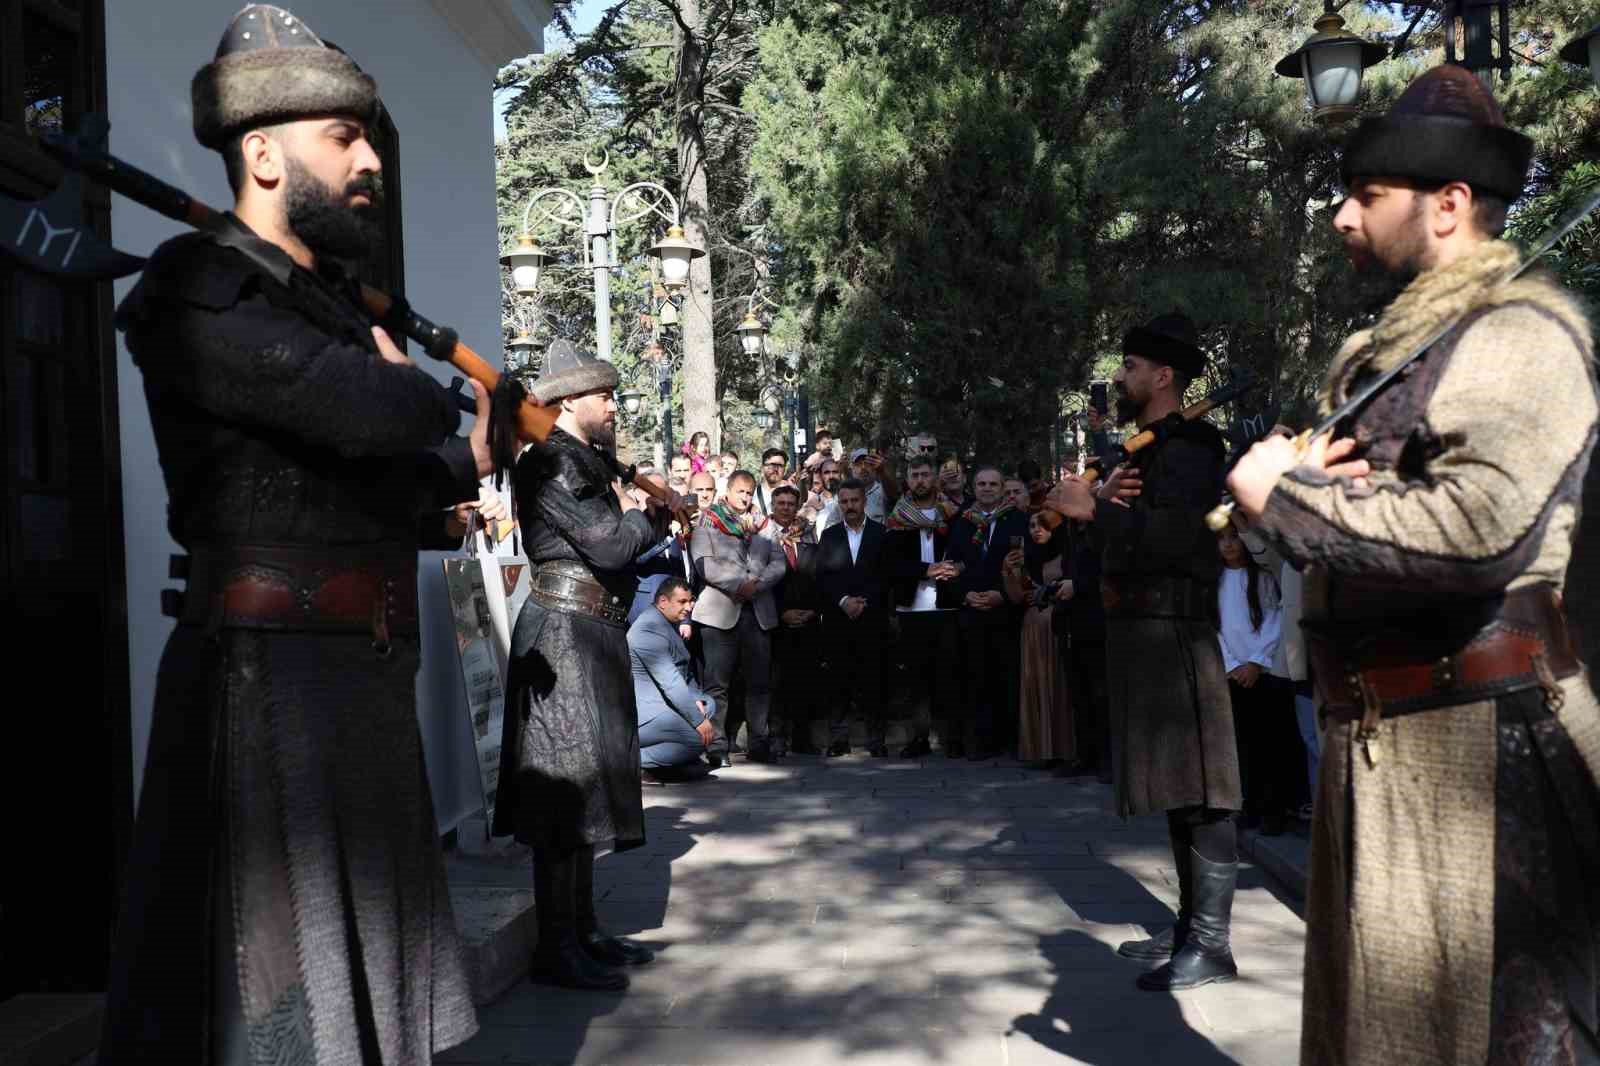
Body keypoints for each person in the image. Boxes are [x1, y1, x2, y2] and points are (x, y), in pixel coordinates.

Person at [101, 8, 490, 1060]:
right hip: (262, 690)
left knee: (358, 1009)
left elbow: (382, 481)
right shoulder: (197, 289)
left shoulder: (322, 301)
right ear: (263, 152)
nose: (369, 161)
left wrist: (471, 459)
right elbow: (366, 411)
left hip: (355, 682)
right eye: (344, 139)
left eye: (369, 141)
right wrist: (412, 400)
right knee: (268, 1005)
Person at [1226, 66, 1599, 1065]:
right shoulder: (1383, 350)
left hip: (1484, 751)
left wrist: (1291, 499)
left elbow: (1481, 526)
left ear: (1446, 205)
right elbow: (1354, 523)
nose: (1342, 218)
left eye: (1365, 197)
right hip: (1379, 743)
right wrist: (1275, 508)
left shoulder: (1524, 333)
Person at [1046, 311, 1241, 993]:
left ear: (1163, 376)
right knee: (1175, 788)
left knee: (1204, 791)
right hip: (1138, 630)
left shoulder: (1190, 450)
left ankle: (1212, 943)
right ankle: (1191, 926)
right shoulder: (1147, 449)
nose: (1120, 377)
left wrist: (1094, 511)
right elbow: (1124, 538)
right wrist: (1096, 507)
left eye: (1130, 368)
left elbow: (1176, 541)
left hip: (1175, 631)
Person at [492, 340, 662, 993]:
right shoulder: (554, 463)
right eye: (606, 395)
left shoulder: (581, 459)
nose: (614, 406)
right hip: (563, 638)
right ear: (568, 403)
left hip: (586, 632)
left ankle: (582, 930)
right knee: (560, 799)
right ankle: (556, 947)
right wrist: (648, 515)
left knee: (584, 793)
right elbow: (611, 544)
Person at [690, 471, 787, 763]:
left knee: (759, 683)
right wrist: (738, 584)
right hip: (719, 614)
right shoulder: (709, 521)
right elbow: (705, 565)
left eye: (749, 492)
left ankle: (759, 742)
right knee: (717, 684)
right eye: (740, 492)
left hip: (758, 612)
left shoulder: (765, 525)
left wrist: (756, 584)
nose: (745, 498)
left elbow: (779, 562)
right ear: (728, 491)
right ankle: (716, 746)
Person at [1215, 521, 1299, 836]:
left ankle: (1273, 809)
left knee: (1270, 744)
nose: (1228, 545)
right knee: (1242, 744)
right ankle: (1247, 805)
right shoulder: (1217, 581)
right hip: (1233, 675)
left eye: (1234, 537)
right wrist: (1232, 664)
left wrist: (1255, 662)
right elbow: (1216, 629)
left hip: (1261, 673)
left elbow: (1274, 619)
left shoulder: (1262, 578)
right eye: (1221, 539)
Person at [946, 467, 1030, 760]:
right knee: (974, 678)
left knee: (1007, 676)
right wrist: (965, 594)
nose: (987, 488)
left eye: (993, 484)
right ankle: (979, 741)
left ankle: (1009, 740)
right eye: (981, 484)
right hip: (971, 610)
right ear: (973, 487)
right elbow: (952, 566)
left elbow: (1028, 566)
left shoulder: (1019, 520)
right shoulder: (961, 522)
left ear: (1002, 488)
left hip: (1005, 611)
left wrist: (1002, 595)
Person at [884, 457, 963, 757]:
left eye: (925, 475)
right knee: (914, 680)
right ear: (907, 479)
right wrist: (925, 570)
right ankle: (917, 738)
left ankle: (951, 738)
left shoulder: (953, 514)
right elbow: (890, 564)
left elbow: (965, 550)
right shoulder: (898, 517)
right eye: (915, 475)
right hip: (911, 607)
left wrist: (955, 567)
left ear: (935, 479)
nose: (920, 480)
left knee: (949, 676)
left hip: (947, 606)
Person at [815, 480, 893, 756]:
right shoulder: (829, 536)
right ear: (839, 503)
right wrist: (844, 601)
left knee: (874, 681)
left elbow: (886, 576)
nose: (850, 506)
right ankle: (838, 739)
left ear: (864, 502)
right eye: (845, 501)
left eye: (854, 501)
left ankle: (876, 740)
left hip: (872, 620)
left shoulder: (882, 534)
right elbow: (822, 577)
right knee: (838, 682)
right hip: (839, 620)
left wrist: (864, 602)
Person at [630, 578, 717, 782]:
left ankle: (671, 763)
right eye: (682, 602)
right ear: (663, 601)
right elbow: (669, 681)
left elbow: (684, 675)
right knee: (698, 738)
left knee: (709, 704)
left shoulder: (666, 623)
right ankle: (632, 761)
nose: (689, 607)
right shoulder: (648, 628)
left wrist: (697, 702)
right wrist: (697, 720)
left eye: (690, 601)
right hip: (645, 715)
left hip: (664, 706)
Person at [1005, 512, 1075, 767]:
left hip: (1059, 626)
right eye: (1032, 526)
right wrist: (1010, 571)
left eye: (1043, 525)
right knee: (1038, 684)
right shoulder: (1025, 558)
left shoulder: (1068, 553)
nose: (1036, 530)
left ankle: (1066, 749)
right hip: (1033, 628)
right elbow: (1016, 597)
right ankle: (1041, 750)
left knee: (1060, 685)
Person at [766, 484, 823, 754]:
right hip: (777, 623)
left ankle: (803, 737)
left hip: (808, 621)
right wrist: (781, 612)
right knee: (777, 683)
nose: (786, 508)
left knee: (806, 681)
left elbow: (818, 579)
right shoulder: (763, 537)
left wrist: (813, 610)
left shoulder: (809, 537)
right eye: (781, 503)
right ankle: (777, 737)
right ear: (773, 505)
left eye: (791, 503)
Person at [803, 456, 844, 540]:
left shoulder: (848, 500)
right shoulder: (813, 502)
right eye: (827, 472)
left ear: (840, 475)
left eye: (835, 472)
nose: (831, 476)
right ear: (821, 476)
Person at [753, 447, 789, 517]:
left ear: (784, 470)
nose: (776, 469)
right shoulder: (752, 494)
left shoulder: (792, 492)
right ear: (763, 468)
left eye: (780, 466)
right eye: (772, 465)